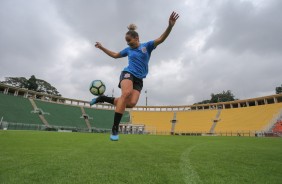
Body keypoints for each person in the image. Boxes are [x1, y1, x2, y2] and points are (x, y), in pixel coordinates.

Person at [91, 12, 179, 141]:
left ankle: (103, 98)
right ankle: (115, 128)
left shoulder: (147, 46)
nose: (128, 44)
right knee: (125, 94)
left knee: (131, 103)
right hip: (128, 73)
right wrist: (102, 47)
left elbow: (161, 39)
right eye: (126, 42)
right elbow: (115, 55)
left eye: (129, 41)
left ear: (137, 38)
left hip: (139, 79)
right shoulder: (128, 50)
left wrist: (170, 26)